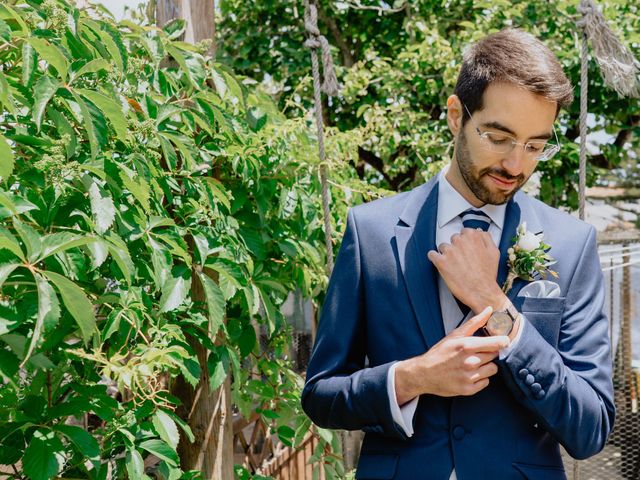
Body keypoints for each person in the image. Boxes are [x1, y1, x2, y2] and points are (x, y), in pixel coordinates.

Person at [301, 28, 615, 480]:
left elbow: (591, 428)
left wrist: (495, 305)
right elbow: (321, 395)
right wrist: (413, 377)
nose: (515, 165)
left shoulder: (571, 243)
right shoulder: (371, 233)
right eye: (499, 136)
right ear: (455, 115)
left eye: (535, 146)